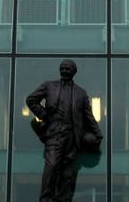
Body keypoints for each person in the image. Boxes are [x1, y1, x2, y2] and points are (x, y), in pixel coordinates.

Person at [25, 59, 103, 202]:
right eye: (63, 68)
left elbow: (88, 116)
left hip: (73, 134)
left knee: (68, 171)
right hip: (55, 131)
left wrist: (97, 133)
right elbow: (31, 100)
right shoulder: (49, 86)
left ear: (74, 71)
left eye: (68, 68)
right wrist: (44, 116)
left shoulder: (81, 93)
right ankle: (46, 197)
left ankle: (63, 198)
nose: (65, 71)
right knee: (52, 164)